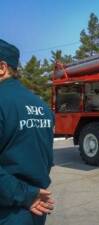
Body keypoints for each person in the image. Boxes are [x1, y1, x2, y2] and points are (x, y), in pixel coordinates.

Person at [0, 39, 55, 225]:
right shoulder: (42, 106)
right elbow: (46, 158)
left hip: (9, 208)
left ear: (2, 67)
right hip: (36, 208)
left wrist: (24, 195)